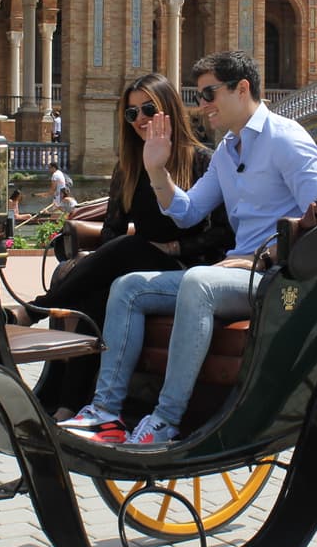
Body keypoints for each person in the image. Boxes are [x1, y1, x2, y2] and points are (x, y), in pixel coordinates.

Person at [61, 51, 317, 445]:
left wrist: (269, 253)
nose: (201, 105)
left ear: (242, 89)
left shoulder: (286, 140)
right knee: (129, 286)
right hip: (237, 274)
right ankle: (105, 412)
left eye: (209, 94)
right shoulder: (226, 151)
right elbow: (187, 213)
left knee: (199, 282)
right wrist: (157, 171)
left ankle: (166, 421)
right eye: (200, 95)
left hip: (278, 274)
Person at [34, 73, 233, 418]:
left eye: (147, 109)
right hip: (137, 264)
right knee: (98, 294)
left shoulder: (201, 160)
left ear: (168, 109)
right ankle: (65, 403)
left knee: (128, 250)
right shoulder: (129, 166)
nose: (140, 119)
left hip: (188, 268)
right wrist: (127, 258)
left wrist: (174, 250)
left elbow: (222, 234)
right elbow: (111, 230)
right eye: (131, 114)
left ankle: (37, 309)